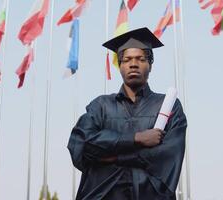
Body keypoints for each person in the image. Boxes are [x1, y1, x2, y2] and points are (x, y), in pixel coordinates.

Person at [67, 27, 187, 200]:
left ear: (150, 64)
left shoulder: (168, 106)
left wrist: (111, 156)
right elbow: (81, 145)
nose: (133, 64)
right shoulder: (100, 106)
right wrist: (136, 138)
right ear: (120, 66)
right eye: (127, 59)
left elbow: (168, 155)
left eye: (140, 59)